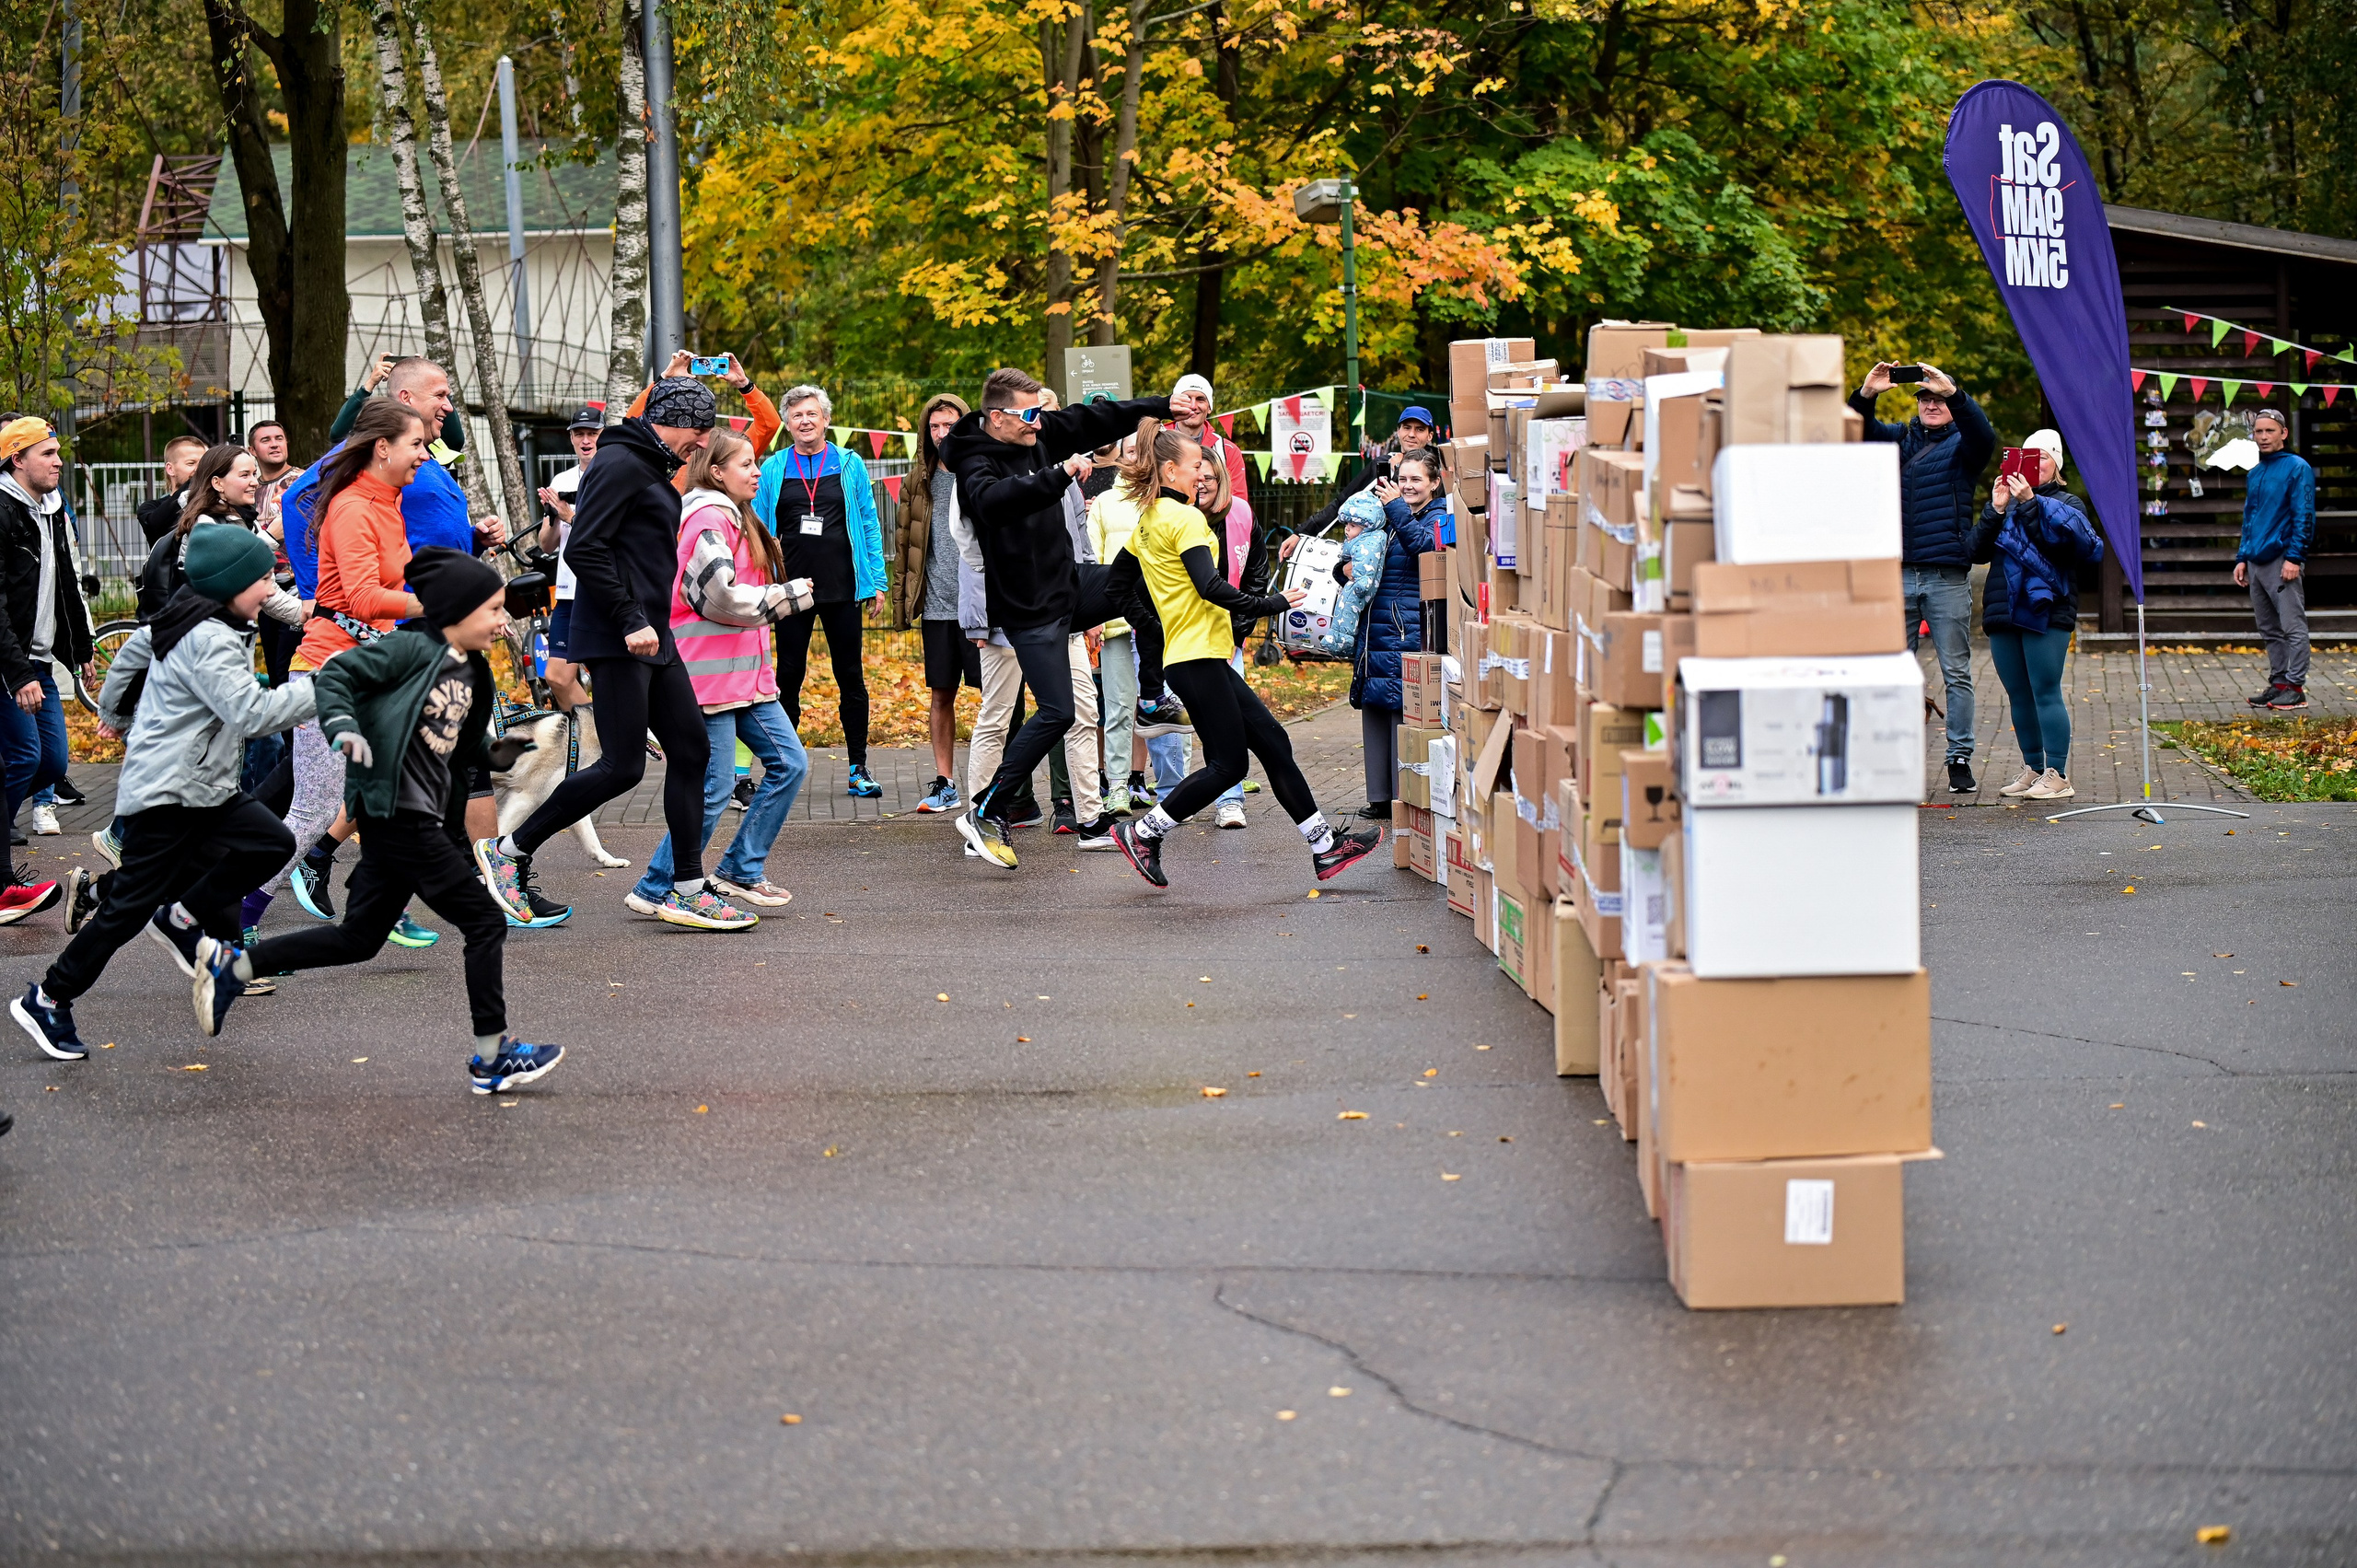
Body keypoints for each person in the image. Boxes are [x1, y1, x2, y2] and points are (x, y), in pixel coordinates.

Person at [218, 549, 559, 1095]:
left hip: (413, 818)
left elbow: (466, 749)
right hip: (399, 815)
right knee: (485, 923)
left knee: (359, 939)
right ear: (456, 610)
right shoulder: (408, 649)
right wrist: (344, 729)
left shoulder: (473, 670)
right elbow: (335, 679)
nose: (502, 621)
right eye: (493, 610)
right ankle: (492, 1059)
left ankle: (230, 970)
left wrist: (499, 755)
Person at [7, 525, 317, 1063]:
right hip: (169, 792)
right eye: (263, 578)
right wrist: (328, 686)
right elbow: (250, 713)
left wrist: (119, 716)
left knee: (270, 843)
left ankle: (184, 923)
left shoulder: (196, 619)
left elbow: (130, 657)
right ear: (231, 583)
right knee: (127, 907)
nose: (271, 589)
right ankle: (48, 997)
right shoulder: (211, 637)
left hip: (202, 788)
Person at [473, 377, 749, 931]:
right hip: (621, 634)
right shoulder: (622, 462)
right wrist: (629, 620)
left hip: (651, 631)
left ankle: (686, 887)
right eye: (698, 430)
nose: (700, 444)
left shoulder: (646, 461)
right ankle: (509, 852)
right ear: (672, 421)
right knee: (621, 766)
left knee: (692, 750)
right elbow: (589, 546)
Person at [275, 357, 511, 924]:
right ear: (385, 446)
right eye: (416, 447)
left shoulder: (387, 502)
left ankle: (380, 902)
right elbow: (359, 596)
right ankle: (221, 911)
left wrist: (466, 583)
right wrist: (444, 607)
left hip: (372, 668)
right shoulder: (355, 505)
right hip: (330, 670)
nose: (424, 456)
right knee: (309, 812)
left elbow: (403, 575)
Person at [1106, 418, 1379, 888]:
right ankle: (1144, 832)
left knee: (1274, 742)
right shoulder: (1185, 519)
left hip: (1195, 655)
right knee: (1228, 765)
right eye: (1196, 466)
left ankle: (1324, 847)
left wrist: (1160, 628)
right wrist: (1271, 603)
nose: (1204, 474)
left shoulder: (1148, 521)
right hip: (1197, 659)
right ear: (1171, 471)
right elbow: (1210, 586)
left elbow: (1116, 585)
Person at [941, 368, 1169, 867]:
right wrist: (1059, 475)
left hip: (1069, 585)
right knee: (1058, 712)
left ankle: (1152, 696)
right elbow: (996, 502)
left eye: (1038, 413)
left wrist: (1163, 405)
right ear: (996, 417)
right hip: (1028, 609)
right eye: (1027, 416)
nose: (1037, 424)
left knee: (1147, 574)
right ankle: (985, 808)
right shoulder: (974, 463)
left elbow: (1094, 417)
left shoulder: (1038, 430)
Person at [624, 430, 814, 914]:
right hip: (709, 679)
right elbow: (716, 595)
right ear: (716, 471)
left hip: (745, 679)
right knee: (714, 787)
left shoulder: (735, 514)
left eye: (757, 463)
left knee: (789, 764)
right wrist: (787, 597)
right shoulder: (708, 515)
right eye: (746, 464)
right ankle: (656, 885)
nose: (756, 471)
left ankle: (739, 870)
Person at [1850, 361, 1995, 794]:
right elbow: (1853, 432)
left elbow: (1984, 436)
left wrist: (1954, 392)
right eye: (1925, 399)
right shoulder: (1898, 439)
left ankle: (1959, 759)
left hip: (1947, 575)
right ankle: (1892, 759)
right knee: (1892, 672)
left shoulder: (1965, 448)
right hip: (1896, 575)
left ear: (1951, 404)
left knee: (1957, 672)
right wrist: (1867, 392)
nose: (1932, 405)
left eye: (1939, 399)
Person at [752, 385, 887, 798]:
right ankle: (780, 770)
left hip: (843, 585)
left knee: (851, 676)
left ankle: (858, 768)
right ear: (788, 424)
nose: (805, 421)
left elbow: (868, 520)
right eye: (796, 416)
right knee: (788, 676)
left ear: (826, 419)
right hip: (789, 589)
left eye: (812, 414)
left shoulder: (850, 463)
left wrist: (878, 580)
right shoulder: (774, 467)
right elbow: (758, 527)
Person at [1970, 428, 2103, 804]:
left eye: (2041, 457)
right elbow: (1975, 551)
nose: (2034, 464)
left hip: (2047, 608)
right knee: (2018, 694)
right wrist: (1996, 508)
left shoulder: (2068, 502)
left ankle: (2057, 774)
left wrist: (2029, 502)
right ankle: (2032, 769)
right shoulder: (2006, 503)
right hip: (2003, 608)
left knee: (2045, 690)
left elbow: (2069, 546)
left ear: (2056, 465)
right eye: (2026, 457)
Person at [0, 417, 94, 922]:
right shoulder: (3, 510)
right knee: (22, 758)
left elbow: (65, 586)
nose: (59, 461)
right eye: (48, 453)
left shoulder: (53, 510)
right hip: (9, 661)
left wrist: (80, 648)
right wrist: (17, 675)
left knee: (52, 764)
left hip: (37, 658)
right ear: (18, 459)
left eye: (58, 453)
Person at [1344, 450, 1444, 820]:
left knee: (1401, 709)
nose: (1407, 486)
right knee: (1374, 707)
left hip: (1407, 626)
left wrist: (1396, 509)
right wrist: (1346, 569)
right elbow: (1357, 549)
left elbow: (1424, 547)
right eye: (1403, 479)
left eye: (1416, 479)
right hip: (1376, 626)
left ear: (1434, 483)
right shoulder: (1385, 515)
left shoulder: (1438, 515)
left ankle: (1403, 794)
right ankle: (1379, 796)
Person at [900, 392, 976, 814]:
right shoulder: (919, 479)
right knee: (940, 695)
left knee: (997, 699)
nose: (942, 433)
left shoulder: (982, 472)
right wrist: (901, 600)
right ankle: (945, 782)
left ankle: (996, 782)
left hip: (981, 606)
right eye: (935, 426)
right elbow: (905, 544)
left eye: (950, 425)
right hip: (937, 606)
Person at [136, 445, 305, 633]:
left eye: (254, 473)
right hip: (201, 636)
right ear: (217, 483)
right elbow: (228, 578)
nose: (255, 482)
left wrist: (317, 615)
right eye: (244, 475)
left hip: (225, 632)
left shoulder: (246, 520)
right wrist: (270, 538)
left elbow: (268, 593)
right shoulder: (204, 524)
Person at [2235, 408, 2315, 711]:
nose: (2264, 436)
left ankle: (2296, 687)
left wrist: (2295, 557)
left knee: (2292, 625)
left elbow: (2304, 516)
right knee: (2269, 628)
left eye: (2270, 431)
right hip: (2255, 561)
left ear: (2283, 433)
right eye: (2258, 431)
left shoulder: (2297, 467)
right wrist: (2242, 557)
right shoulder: (2255, 472)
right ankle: (2279, 682)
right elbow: (2250, 519)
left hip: (2282, 559)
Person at [534, 404, 605, 714]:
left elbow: (608, 534)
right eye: (579, 433)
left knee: (609, 676)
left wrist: (569, 515)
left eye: (592, 433)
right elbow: (547, 544)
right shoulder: (562, 480)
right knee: (557, 677)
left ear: (603, 435)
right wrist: (552, 515)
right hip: (568, 591)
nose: (586, 440)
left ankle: (618, 742)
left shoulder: (613, 475)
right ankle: (598, 741)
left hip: (604, 589)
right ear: (571, 438)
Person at [1301, 404, 1439, 534]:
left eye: (1420, 429)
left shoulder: (1439, 468)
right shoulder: (1382, 465)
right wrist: (1302, 532)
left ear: (1430, 436)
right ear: (1398, 431)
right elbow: (1343, 503)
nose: (1412, 434)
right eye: (1407, 428)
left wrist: (1398, 470)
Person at [330, 351, 468, 452]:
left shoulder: (432, 434)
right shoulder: (381, 431)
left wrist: (428, 376)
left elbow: (455, 442)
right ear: (406, 397)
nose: (448, 407)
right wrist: (369, 385)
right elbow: (338, 435)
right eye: (439, 395)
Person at [135, 435, 207, 546]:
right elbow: (156, 526)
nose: (199, 469)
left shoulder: (213, 503)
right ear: (170, 469)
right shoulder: (150, 508)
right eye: (191, 463)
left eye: (203, 464)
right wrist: (196, 481)